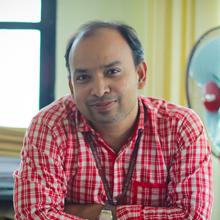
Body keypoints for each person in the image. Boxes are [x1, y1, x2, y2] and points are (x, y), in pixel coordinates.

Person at [13, 21, 213, 220]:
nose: (99, 90)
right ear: (72, 87)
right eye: (83, 77)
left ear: (140, 74)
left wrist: (105, 214)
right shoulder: (49, 126)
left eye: (112, 71)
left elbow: (192, 216)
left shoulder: (181, 128)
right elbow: (33, 215)